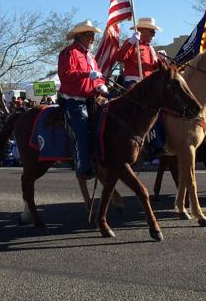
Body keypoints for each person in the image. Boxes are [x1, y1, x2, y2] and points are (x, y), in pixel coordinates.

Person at [57, 20, 108, 186]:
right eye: (89, 35)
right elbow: (66, 74)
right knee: (82, 129)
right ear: (79, 36)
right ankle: (83, 167)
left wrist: (100, 84)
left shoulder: (90, 56)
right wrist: (87, 74)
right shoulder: (68, 52)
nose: (93, 38)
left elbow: (96, 75)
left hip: (92, 98)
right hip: (74, 100)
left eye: (93, 36)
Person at [115, 17, 165, 88]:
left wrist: (162, 59)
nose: (154, 35)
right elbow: (119, 58)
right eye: (152, 32)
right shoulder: (131, 42)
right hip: (132, 83)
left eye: (154, 33)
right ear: (142, 30)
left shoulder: (150, 48)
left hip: (148, 83)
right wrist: (131, 42)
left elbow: (156, 68)